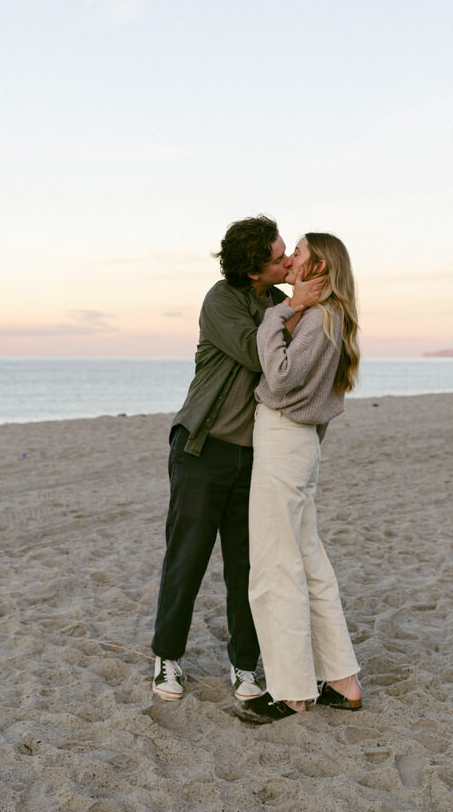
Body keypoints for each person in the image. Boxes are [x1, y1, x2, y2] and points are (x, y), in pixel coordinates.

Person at [151, 215, 322, 702]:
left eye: (290, 251)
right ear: (254, 271)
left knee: (249, 564)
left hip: (255, 458)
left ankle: (244, 666)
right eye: (279, 258)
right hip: (201, 450)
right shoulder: (221, 300)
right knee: (187, 557)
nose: (289, 261)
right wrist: (293, 306)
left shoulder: (278, 303)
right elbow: (257, 353)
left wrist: (296, 303)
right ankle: (167, 658)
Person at [238, 232, 363, 722]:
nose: (289, 260)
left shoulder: (315, 318)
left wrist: (278, 312)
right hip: (301, 443)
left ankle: (291, 691)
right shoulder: (329, 319)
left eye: (300, 254)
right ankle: (341, 679)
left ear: (320, 271)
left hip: (285, 441)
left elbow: (283, 377)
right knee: (307, 560)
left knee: (275, 566)